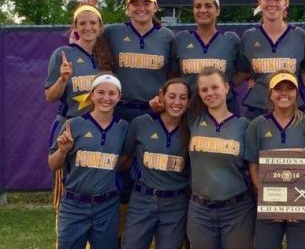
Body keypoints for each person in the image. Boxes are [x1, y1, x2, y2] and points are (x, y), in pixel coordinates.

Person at [45, 4, 114, 211]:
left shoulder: (106, 56)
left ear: (100, 26)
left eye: (93, 22)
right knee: (68, 195)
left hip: (100, 132)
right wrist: (63, 80)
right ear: (75, 26)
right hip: (70, 129)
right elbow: (50, 96)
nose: (88, 27)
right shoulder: (64, 54)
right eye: (82, 23)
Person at [245, 71, 305, 249]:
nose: (284, 93)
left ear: (297, 93)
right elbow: (253, 164)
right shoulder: (257, 124)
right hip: (269, 207)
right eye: (278, 89)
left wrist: (299, 198)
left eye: (290, 89)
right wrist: (266, 198)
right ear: (270, 94)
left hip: (301, 205)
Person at [49, 73, 128, 248]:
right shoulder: (74, 124)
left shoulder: (123, 127)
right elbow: (53, 164)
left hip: (107, 206)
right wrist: (62, 151)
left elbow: (124, 160)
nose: (106, 98)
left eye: (111, 93)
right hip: (74, 205)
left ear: (119, 97)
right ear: (91, 95)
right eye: (100, 92)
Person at [187, 67, 254, 249]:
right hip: (200, 210)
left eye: (215, 87)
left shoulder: (244, 126)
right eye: (204, 89)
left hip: (237, 210)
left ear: (226, 87)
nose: (210, 93)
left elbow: (254, 168)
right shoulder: (192, 120)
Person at [121, 78, 191, 249]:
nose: (177, 102)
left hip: (175, 203)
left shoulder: (191, 129)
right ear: (162, 96)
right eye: (172, 96)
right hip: (142, 199)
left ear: (189, 102)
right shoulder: (141, 123)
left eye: (183, 98)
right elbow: (124, 159)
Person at [235, 0, 305, 119]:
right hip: (258, 109)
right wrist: (259, 83)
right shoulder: (249, 36)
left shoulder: (299, 35)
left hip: (291, 108)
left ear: (286, 3)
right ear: (260, 2)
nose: (272, 3)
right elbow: (242, 72)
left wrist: (290, 87)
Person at [103, 0, 175, 122]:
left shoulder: (167, 36)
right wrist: (87, 10)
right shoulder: (113, 32)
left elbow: (173, 74)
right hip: (119, 109)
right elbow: (86, 33)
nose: (141, 8)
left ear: (155, 7)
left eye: (146, 4)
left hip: (153, 110)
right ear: (128, 8)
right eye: (135, 4)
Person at [171, 0, 240, 114]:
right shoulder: (181, 39)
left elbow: (242, 73)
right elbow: (173, 74)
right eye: (198, 6)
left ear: (217, 10)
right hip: (190, 109)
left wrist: (224, 84)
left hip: (225, 108)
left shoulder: (231, 40)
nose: (203, 10)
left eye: (208, 6)